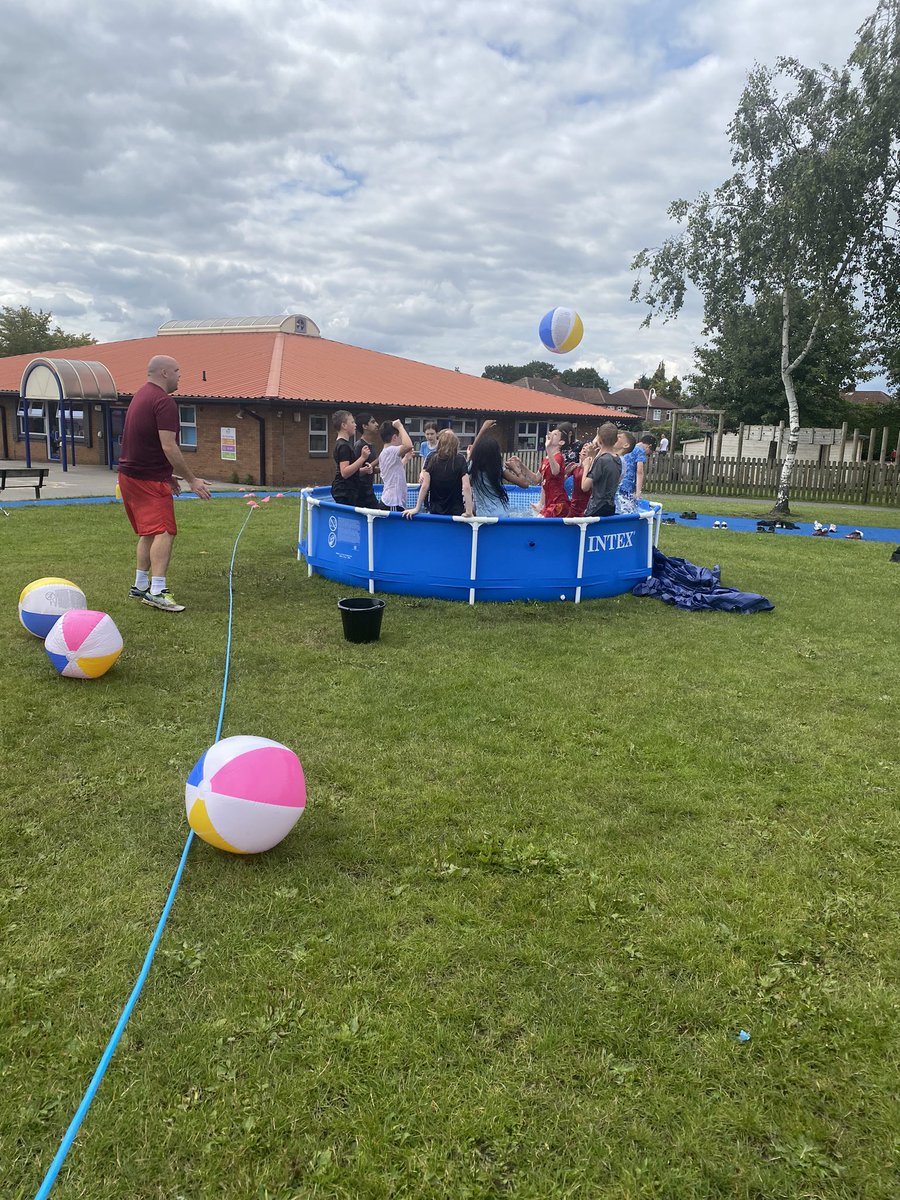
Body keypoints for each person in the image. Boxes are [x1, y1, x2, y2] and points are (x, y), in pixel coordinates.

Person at [117, 355, 211, 612]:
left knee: (149, 531)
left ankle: (140, 585)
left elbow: (144, 441)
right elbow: (168, 445)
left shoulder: (141, 396)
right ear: (164, 373)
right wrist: (192, 479)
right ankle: (156, 591)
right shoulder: (164, 402)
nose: (181, 375)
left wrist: (166, 473)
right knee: (164, 531)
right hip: (146, 479)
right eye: (178, 371)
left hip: (130, 475)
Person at [466, 420, 532, 516]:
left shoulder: (473, 468)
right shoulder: (498, 470)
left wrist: (483, 429)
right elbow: (525, 484)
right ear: (496, 455)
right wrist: (516, 470)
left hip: (482, 516)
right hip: (501, 514)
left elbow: (472, 452)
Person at [404, 429, 473, 518]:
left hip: (435, 511)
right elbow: (466, 486)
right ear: (456, 443)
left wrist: (417, 508)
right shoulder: (460, 459)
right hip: (455, 511)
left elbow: (425, 486)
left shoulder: (432, 458)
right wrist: (469, 511)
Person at [331, 409, 371, 506]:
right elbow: (344, 472)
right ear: (344, 425)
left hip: (347, 490)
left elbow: (348, 471)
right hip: (344, 492)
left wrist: (363, 470)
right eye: (352, 422)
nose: (355, 425)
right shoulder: (343, 446)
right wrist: (362, 458)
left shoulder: (343, 444)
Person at [582, 423, 622, 517]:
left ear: (599, 439)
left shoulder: (601, 460)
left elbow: (585, 486)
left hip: (596, 508)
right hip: (610, 507)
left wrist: (586, 467)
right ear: (616, 440)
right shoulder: (617, 459)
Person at [378, 419, 415, 511]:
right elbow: (409, 445)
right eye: (400, 437)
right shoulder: (391, 451)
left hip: (391, 500)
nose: (401, 440)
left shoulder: (385, 453)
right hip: (392, 502)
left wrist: (406, 458)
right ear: (394, 437)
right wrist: (400, 426)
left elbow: (394, 470)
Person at [538, 427, 570, 517]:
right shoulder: (546, 459)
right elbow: (536, 478)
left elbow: (555, 471)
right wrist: (521, 467)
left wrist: (548, 448)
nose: (551, 434)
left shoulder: (558, 457)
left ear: (561, 442)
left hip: (558, 503)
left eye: (555, 434)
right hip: (549, 504)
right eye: (551, 432)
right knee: (535, 523)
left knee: (538, 524)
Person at [354, 412, 383, 509]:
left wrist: (384, 469)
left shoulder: (372, 445)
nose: (377, 424)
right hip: (360, 492)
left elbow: (370, 470)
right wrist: (380, 458)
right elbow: (355, 471)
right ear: (365, 426)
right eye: (373, 422)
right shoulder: (359, 446)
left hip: (369, 490)